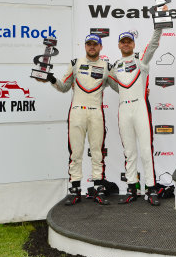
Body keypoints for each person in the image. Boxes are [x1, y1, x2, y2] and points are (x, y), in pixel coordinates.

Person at [38, 34, 116, 206]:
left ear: (100, 47)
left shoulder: (107, 67)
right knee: (76, 153)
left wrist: (137, 91)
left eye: (95, 44)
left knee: (97, 152)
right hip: (77, 112)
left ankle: (98, 189)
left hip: (96, 112)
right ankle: (75, 191)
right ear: (85, 46)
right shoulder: (75, 64)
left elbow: (121, 87)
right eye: (89, 44)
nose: (92, 47)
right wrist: (51, 78)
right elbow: (64, 86)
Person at [108, 27, 163, 206]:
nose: (126, 44)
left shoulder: (140, 59)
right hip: (124, 109)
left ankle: (151, 189)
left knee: (146, 151)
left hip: (140, 107)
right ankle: (132, 188)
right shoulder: (115, 66)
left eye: (129, 41)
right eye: (123, 41)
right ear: (118, 45)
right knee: (129, 152)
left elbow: (153, 45)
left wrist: (159, 26)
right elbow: (117, 87)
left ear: (133, 43)